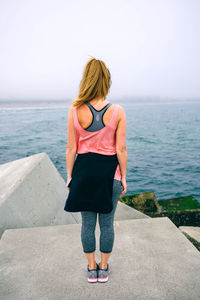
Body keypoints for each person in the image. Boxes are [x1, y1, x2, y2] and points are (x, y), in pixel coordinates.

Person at [65, 56, 127, 283]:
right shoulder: (118, 111)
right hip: (110, 175)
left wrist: (70, 176)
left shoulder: (74, 110)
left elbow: (71, 147)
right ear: (106, 80)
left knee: (87, 224)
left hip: (83, 175)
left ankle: (91, 269)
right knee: (107, 224)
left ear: (86, 79)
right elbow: (121, 148)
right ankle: (104, 267)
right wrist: (124, 178)